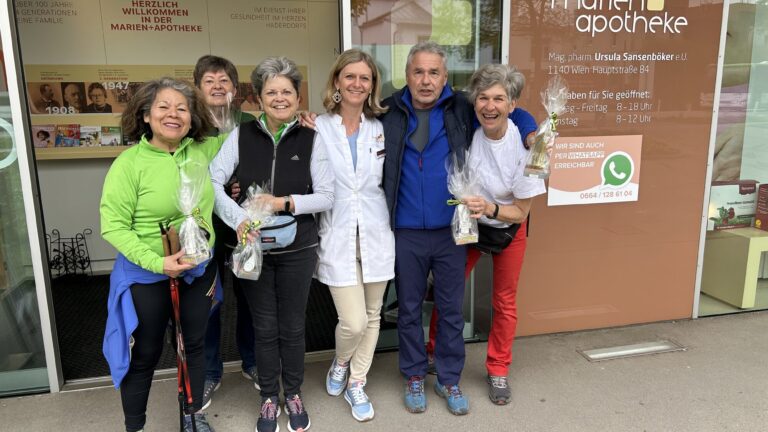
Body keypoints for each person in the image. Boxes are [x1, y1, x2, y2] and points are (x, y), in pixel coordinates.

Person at [380, 41, 538, 416]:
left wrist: (532, 133)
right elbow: (349, 119)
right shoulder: (386, 111)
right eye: (418, 72)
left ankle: (449, 378)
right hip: (405, 231)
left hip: (453, 230)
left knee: (451, 309)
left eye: (434, 72)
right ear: (407, 75)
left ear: (445, 77)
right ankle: (414, 374)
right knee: (409, 309)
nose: (426, 80)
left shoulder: (461, 107)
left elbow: (510, 109)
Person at [209, 56, 334, 432]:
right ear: (259, 99)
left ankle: (292, 393)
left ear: (298, 97)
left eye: (287, 92)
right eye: (271, 92)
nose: (280, 98)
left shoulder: (312, 138)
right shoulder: (241, 136)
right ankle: (267, 397)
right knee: (264, 327)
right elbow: (213, 182)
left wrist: (285, 203)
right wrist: (239, 218)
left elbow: (327, 195)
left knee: (293, 327)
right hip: (253, 247)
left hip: (298, 249)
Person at [101, 77, 226, 432]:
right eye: (164, 107)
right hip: (147, 273)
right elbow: (113, 226)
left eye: (182, 108)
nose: (174, 114)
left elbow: (248, 138)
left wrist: (303, 119)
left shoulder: (204, 151)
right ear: (145, 115)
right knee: (145, 352)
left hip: (197, 269)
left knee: (194, 344)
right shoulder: (129, 164)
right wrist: (159, 263)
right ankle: (135, 426)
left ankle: (192, 416)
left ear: (192, 116)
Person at [315, 49, 394, 422]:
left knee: (374, 315)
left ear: (372, 85)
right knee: (354, 321)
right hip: (337, 231)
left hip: (377, 231)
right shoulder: (317, 127)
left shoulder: (382, 127)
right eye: (350, 76)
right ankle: (342, 360)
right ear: (337, 80)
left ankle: (357, 382)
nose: (357, 84)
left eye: (365, 78)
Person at [465, 64, 546, 405]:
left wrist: (491, 209)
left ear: (512, 105)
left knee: (504, 301)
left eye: (499, 98)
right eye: (483, 97)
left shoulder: (528, 148)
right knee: (447, 289)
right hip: (469, 223)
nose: (489, 106)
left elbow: (522, 212)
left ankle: (498, 368)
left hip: (508, 225)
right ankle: (434, 352)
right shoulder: (468, 127)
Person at [192, 54, 259, 410]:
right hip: (204, 229)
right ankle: (209, 372)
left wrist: (241, 184)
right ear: (198, 88)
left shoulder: (248, 123)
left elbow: (264, 167)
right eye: (210, 81)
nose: (218, 87)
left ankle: (252, 361)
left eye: (224, 81)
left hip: (242, 225)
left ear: (235, 87)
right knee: (208, 301)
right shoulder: (190, 125)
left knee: (250, 296)